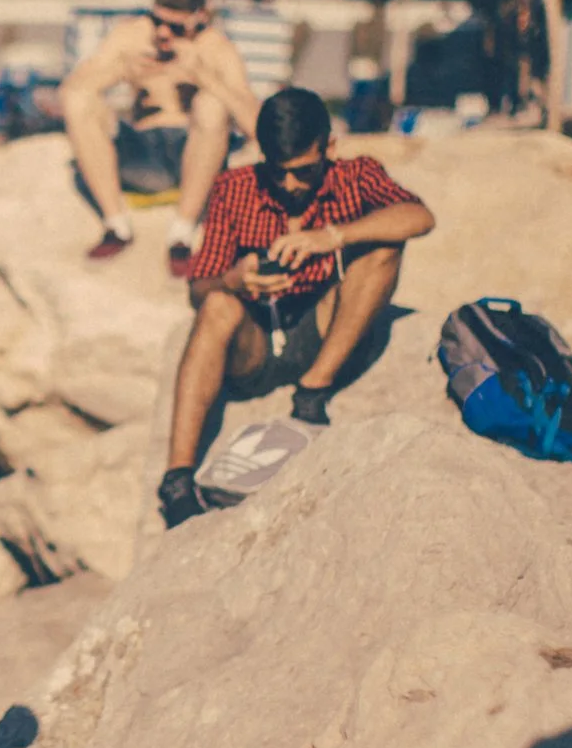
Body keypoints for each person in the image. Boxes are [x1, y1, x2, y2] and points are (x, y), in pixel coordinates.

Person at [160, 87, 434, 527]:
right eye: (278, 172)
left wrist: (332, 237)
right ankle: (176, 479)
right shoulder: (234, 187)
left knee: (383, 251)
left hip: (323, 330)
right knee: (216, 305)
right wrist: (234, 280)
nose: (290, 184)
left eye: (303, 171)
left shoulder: (356, 174)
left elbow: (419, 218)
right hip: (255, 340)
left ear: (329, 148)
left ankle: (312, 395)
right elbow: (197, 289)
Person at [59, 0, 263, 274]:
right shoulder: (131, 35)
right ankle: (116, 225)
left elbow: (258, 127)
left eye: (177, 27)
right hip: (142, 152)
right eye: (157, 21)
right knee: (80, 99)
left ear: (201, 14)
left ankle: (181, 234)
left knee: (212, 105)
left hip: (194, 155)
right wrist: (121, 70)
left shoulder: (217, 49)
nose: (164, 33)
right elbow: (72, 92)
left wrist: (204, 77)